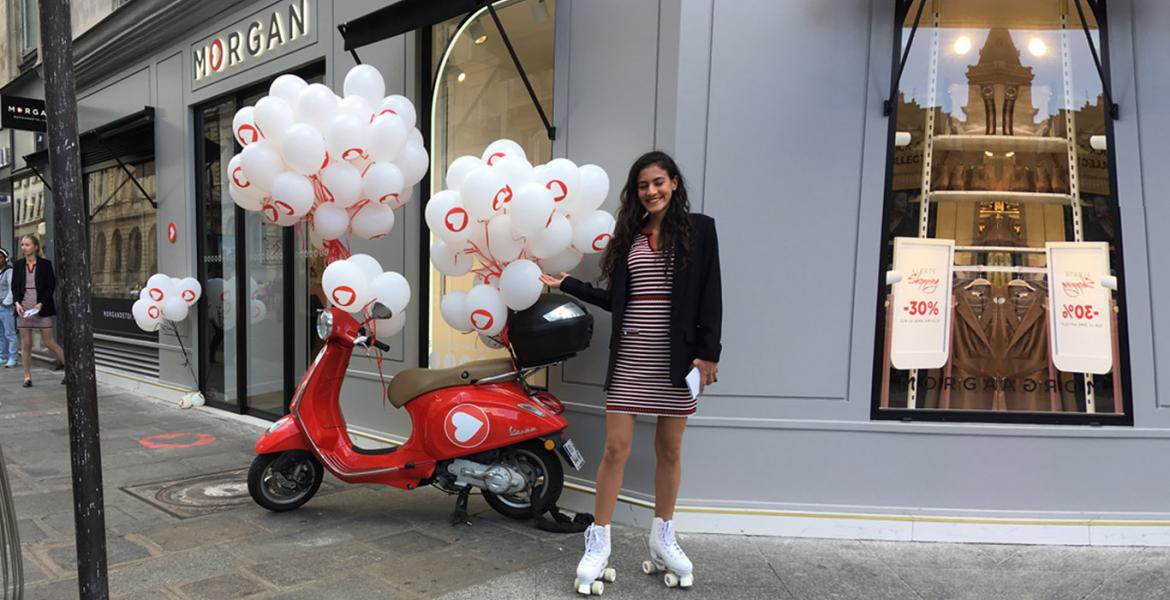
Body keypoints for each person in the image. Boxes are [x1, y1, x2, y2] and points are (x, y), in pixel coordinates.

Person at [541, 151, 722, 593]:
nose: (652, 191)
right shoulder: (629, 238)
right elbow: (616, 300)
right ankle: (598, 539)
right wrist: (567, 284)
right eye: (643, 185)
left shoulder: (700, 230)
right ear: (636, 192)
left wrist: (709, 353)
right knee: (615, 450)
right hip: (632, 357)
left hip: (676, 361)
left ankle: (663, 536)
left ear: (674, 183)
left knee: (670, 450)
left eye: (659, 182)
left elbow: (711, 293)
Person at [12, 235, 66, 387]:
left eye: (27, 244)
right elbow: (14, 286)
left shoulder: (45, 264)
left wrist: (41, 303)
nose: (24, 247)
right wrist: (16, 302)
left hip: (41, 307)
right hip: (23, 307)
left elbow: (51, 286)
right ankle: (27, 377)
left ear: (35, 247)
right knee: (26, 343)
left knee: (49, 342)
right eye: (22, 245)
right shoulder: (18, 265)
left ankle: (70, 370)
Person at [0, 249, 17, 368]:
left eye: (0, 257)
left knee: (10, 333)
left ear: (5, 258)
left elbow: (12, 288)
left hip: (6, 307)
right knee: (1, 334)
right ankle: (2, 355)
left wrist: (6, 303)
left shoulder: (9, 271)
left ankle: (13, 357)